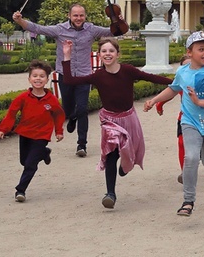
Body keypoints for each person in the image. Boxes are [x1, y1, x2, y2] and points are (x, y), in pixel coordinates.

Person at [62, 38, 173, 209]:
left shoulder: (128, 71)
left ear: (118, 54)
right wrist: (67, 56)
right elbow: (69, 81)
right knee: (111, 155)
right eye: (104, 51)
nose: (107, 54)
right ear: (99, 55)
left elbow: (150, 77)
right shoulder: (98, 76)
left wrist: (175, 81)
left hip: (129, 118)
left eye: (111, 51)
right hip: (109, 120)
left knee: (130, 156)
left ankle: (125, 168)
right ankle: (110, 194)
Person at [144, 31, 204, 217]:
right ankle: (188, 200)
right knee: (190, 157)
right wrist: (154, 100)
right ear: (189, 53)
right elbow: (173, 89)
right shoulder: (182, 72)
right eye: (201, 49)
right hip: (190, 122)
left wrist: (199, 102)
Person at [13, 4, 114, 157]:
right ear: (69, 16)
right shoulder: (60, 29)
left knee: (82, 109)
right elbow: (37, 28)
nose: (79, 18)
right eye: (75, 15)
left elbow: (113, 31)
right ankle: (71, 116)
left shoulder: (91, 29)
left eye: (81, 15)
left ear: (85, 16)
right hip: (65, 75)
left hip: (84, 75)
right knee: (67, 109)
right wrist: (20, 21)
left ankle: (82, 145)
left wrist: (118, 21)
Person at [0, 60, 64, 203]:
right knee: (24, 161)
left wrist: (59, 131)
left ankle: (20, 190)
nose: (38, 79)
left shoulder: (51, 100)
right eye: (35, 76)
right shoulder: (22, 98)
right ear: (29, 79)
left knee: (30, 165)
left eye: (42, 76)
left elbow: (59, 114)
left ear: (47, 79)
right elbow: (11, 114)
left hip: (42, 135)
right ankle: (45, 153)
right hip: (26, 133)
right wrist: (3, 129)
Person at [155, 53, 191, 184]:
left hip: (202, 118)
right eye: (184, 66)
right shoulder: (181, 79)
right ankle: (185, 173)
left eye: (190, 65)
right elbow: (172, 91)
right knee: (182, 144)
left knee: (199, 149)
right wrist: (160, 103)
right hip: (184, 117)